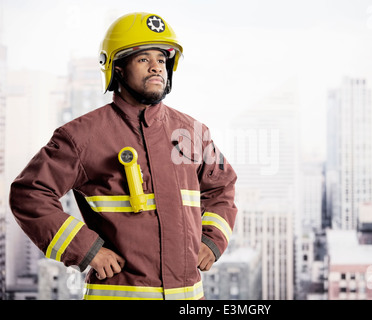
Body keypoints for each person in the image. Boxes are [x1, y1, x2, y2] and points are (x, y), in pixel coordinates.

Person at [9, 12, 238, 300]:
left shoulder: (191, 131)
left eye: (161, 59)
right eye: (144, 59)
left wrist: (212, 240)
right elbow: (29, 194)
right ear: (117, 68)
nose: (157, 67)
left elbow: (222, 186)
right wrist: (87, 249)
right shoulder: (82, 136)